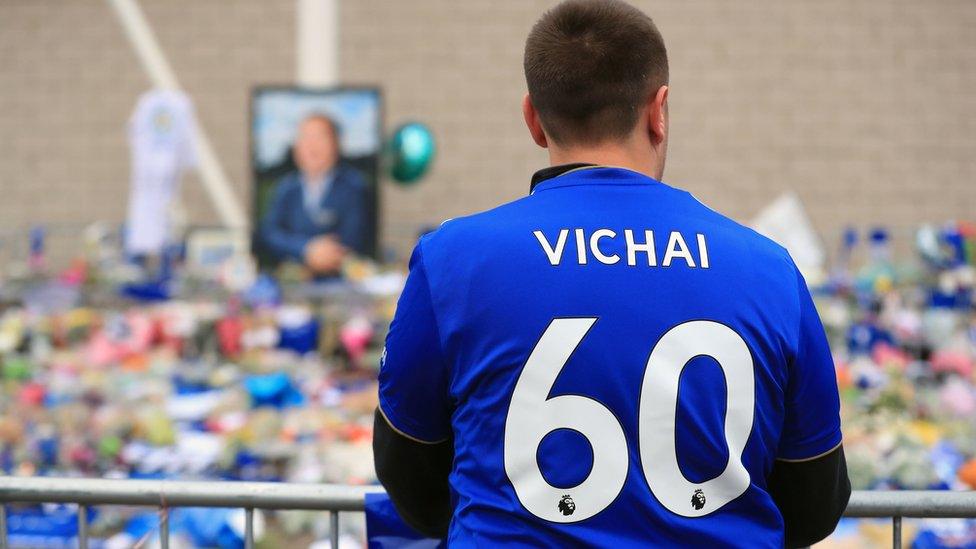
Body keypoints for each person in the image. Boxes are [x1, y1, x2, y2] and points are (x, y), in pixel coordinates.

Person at [374, 1, 850, 547]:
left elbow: (407, 467)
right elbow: (814, 499)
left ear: (532, 118)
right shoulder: (770, 269)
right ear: (659, 111)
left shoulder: (451, 260)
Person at [258, 114, 368, 275]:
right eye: (305, 137)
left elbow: (354, 240)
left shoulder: (354, 187)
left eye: (320, 137)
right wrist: (306, 249)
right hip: (290, 282)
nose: (312, 145)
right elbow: (270, 233)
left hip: (340, 283)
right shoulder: (284, 188)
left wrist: (324, 256)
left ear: (336, 144)